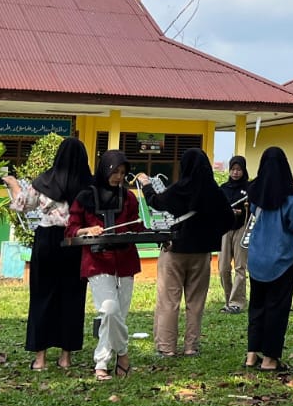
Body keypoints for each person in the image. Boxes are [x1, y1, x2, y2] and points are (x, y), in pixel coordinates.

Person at [5, 137, 92, 371]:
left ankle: (40, 358)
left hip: (47, 241)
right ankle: (66, 357)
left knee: (42, 296)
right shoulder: (87, 185)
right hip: (75, 241)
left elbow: (23, 204)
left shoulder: (44, 181)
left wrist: (13, 183)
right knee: (72, 297)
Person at [140, 148, 230, 357]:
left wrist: (146, 186)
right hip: (202, 253)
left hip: (174, 249)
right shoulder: (215, 192)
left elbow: (156, 202)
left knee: (169, 300)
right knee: (196, 302)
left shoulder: (179, 189)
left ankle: (166, 347)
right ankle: (192, 347)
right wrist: (209, 233)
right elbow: (229, 221)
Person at [68, 150, 141, 381]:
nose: (119, 177)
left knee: (117, 317)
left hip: (126, 261)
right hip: (97, 261)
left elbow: (137, 227)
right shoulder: (85, 197)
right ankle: (122, 354)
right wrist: (88, 230)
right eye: (115, 172)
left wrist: (161, 234)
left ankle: (102, 363)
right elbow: (71, 229)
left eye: (122, 173)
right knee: (109, 310)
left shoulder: (128, 198)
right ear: (104, 169)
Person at [243, 146, 293, 373]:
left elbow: (253, 214)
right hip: (282, 261)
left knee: (257, 306)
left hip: (257, 259)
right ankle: (270, 359)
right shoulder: (289, 197)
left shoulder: (255, 192)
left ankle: (252, 355)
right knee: (276, 309)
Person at [218, 155, 252, 313]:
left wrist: (241, 211)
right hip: (225, 229)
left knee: (240, 267)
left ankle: (237, 302)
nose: (235, 173)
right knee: (223, 268)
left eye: (239, 169)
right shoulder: (223, 188)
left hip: (241, 229)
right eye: (233, 169)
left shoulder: (249, 188)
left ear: (243, 170)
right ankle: (228, 299)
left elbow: (252, 210)